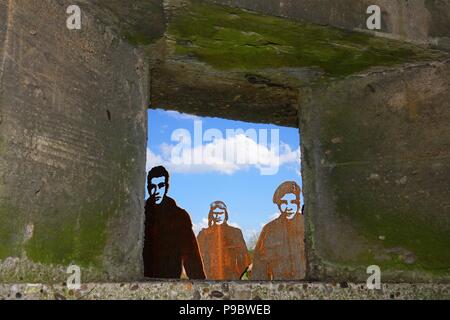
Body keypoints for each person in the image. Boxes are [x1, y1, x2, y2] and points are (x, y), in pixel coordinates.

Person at [143, 166, 205, 279]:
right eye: (153, 187)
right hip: (142, 281)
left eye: (161, 186)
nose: (156, 191)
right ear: (148, 188)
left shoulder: (179, 216)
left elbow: (191, 255)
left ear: (166, 187)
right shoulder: (140, 215)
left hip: (169, 282)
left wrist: (200, 284)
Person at [251, 181, 306, 280]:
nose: (289, 207)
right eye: (284, 203)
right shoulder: (269, 230)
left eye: (293, 202)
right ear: (278, 205)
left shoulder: (307, 225)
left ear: (298, 202)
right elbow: (259, 264)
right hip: (279, 287)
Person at [197, 201, 251, 280]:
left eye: (220, 213)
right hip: (208, 279)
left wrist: (236, 274)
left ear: (225, 214)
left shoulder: (235, 233)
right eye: (214, 213)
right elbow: (196, 258)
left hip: (232, 278)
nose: (217, 216)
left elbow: (245, 258)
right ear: (211, 215)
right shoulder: (203, 234)